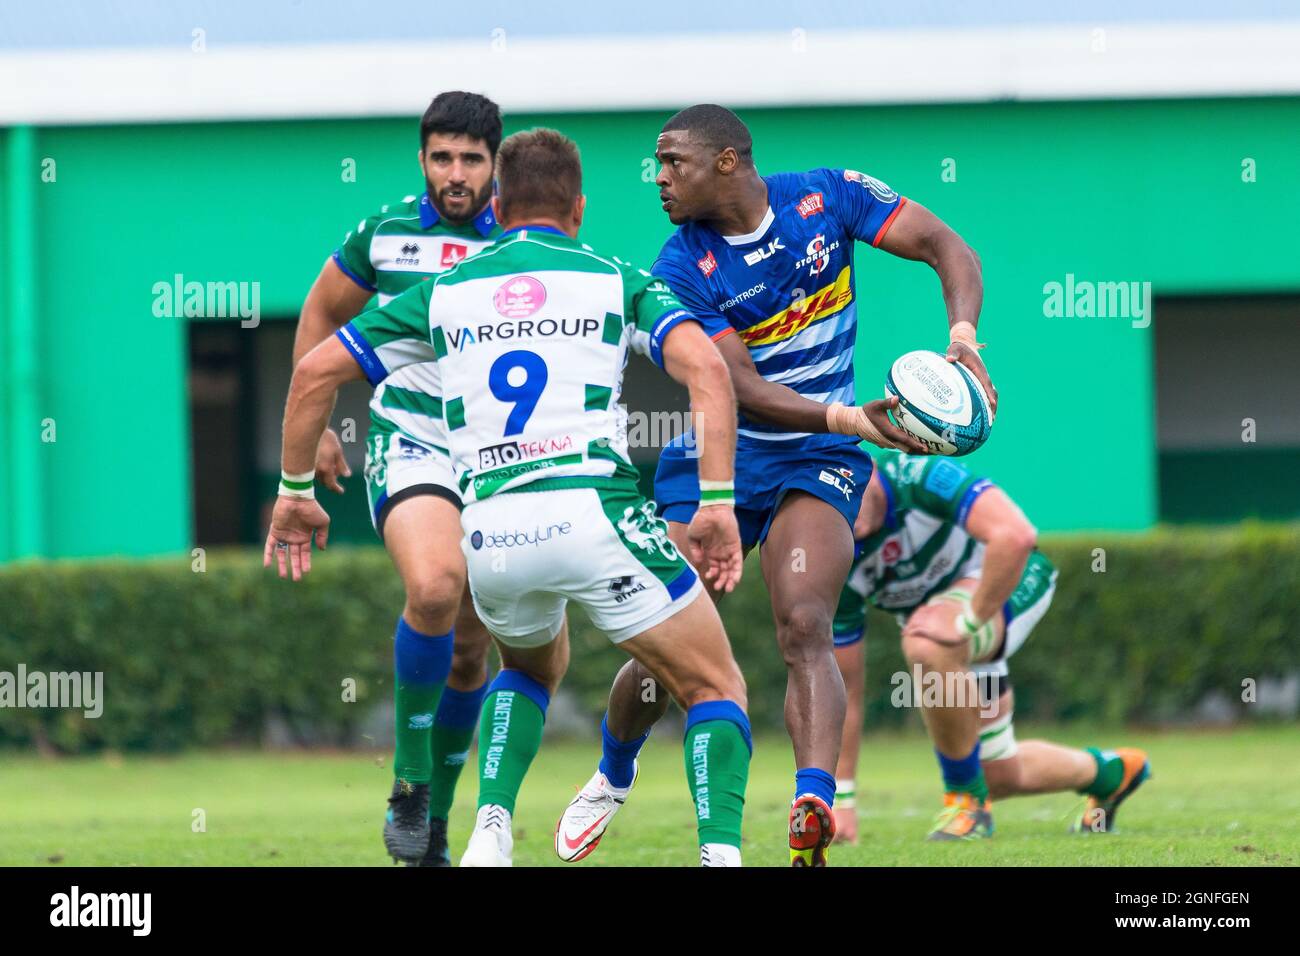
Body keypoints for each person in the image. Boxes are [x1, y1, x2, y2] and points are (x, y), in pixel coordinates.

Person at [267, 127, 754, 867]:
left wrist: (296, 490)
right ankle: (723, 858)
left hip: (490, 535)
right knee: (713, 682)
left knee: (527, 668)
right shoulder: (613, 278)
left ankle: (490, 829)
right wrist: (715, 503)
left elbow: (312, 375)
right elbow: (708, 373)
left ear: (497, 200)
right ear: (579, 208)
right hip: (596, 514)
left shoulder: (443, 292)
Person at [555, 103, 994, 866]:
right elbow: (743, 389)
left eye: (673, 164)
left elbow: (945, 245)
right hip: (720, 458)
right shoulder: (678, 268)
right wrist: (852, 418)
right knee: (673, 641)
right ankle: (612, 771)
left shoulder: (827, 197)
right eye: (657, 165)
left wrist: (963, 340)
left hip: (818, 457)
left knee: (805, 623)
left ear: (727, 162)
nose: (658, 180)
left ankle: (813, 801)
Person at [289, 91, 503, 866]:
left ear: (495, 164)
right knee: (436, 588)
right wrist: (313, 434)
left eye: (471, 160)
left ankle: (435, 828)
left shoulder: (522, 235)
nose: (455, 174)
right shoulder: (383, 232)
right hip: (410, 440)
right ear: (422, 159)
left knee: (473, 649)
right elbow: (318, 316)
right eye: (442, 157)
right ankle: (409, 784)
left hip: (499, 455)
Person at [828, 449, 1152, 841]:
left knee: (926, 642)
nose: (842, 505)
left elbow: (1016, 536)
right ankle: (1114, 773)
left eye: (848, 488)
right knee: (997, 774)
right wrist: (840, 799)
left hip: (1012, 583)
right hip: (948, 627)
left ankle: (965, 803)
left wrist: (967, 621)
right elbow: (843, 686)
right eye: (828, 497)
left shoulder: (918, 475)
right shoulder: (835, 551)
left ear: (868, 465)